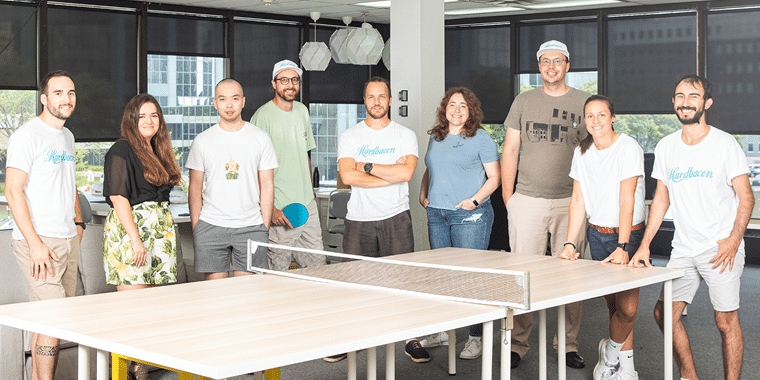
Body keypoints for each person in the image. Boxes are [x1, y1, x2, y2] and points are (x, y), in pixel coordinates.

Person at [630, 75, 752, 380]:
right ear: (674, 103)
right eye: (680, 96)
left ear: (706, 103)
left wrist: (734, 240)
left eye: (693, 96)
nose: (686, 102)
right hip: (684, 248)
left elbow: (746, 198)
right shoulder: (666, 146)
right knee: (664, 315)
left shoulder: (724, 144)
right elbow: (661, 199)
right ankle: (689, 375)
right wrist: (645, 244)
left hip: (720, 247)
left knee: (725, 321)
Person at [501, 40, 589, 369]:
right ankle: (518, 343)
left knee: (570, 277)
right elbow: (510, 150)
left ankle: (567, 344)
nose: (551, 67)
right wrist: (509, 199)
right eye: (545, 62)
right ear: (539, 66)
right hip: (527, 201)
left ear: (568, 65)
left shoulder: (584, 103)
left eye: (558, 61)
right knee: (523, 277)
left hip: (571, 203)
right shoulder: (523, 101)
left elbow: (595, 152)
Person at [333, 76, 420, 363]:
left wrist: (367, 167)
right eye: (371, 97)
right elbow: (347, 177)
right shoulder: (351, 136)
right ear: (364, 100)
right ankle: (351, 339)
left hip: (396, 218)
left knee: (405, 281)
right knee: (354, 283)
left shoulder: (404, 135)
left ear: (390, 100)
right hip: (359, 220)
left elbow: (406, 175)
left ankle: (412, 338)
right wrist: (389, 174)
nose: (377, 102)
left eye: (382, 96)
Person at [5, 70, 84, 380]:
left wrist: (78, 225)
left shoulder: (67, 136)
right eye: (59, 93)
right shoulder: (26, 135)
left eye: (71, 92)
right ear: (44, 98)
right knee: (56, 318)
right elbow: (13, 191)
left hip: (67, 239)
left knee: (47, 321)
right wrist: (35, 244)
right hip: (37, 242)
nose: (66, 99)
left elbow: (70, 184)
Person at [560, 95, 645, 380]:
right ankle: (626, 368)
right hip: (597, 235)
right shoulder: (581, 153)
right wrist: (570, 242)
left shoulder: (628, 147)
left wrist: (623, 245)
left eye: (601, 115)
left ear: (612, 117)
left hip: (628, 236)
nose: (595, 121)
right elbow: (577, 200)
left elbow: (627, 198)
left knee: (628, 308)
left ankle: (610, 353)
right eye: (590, 116)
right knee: (614, 307)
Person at [101, 93, 182, 378]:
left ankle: (138, 367)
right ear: (131, 120)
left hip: (157, 236)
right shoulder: (121, 150)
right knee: (133, 312)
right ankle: (126, 371)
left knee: (149, 313)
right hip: (132, 235)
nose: (149, 121)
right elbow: (118, 197)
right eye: (142, 116)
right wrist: (136, 239)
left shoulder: (157, 150)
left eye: (154, 115)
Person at [417, 87, 500, 360]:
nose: (456, 110)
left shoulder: (481, 139)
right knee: (441, 276)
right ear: (444, 109)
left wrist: (473, 202)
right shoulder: (436, 137)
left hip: (469, 216)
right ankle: (442, 331)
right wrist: (423, 191)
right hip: (437, 215)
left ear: (471, 111)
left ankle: (476, 336)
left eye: (463, 106)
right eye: (452, 105)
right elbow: (433, 167)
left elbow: (494, 178)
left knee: (470, 278)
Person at [186, 78, 277, 280]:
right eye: (223, 99)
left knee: (248, 293)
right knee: (214, 295)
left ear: (243, 101)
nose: (229, 105)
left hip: (252, 226)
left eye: (234, 98)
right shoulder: (202, 141)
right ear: (215, 102)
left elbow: (267, 184)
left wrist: (264, 225)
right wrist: (197, 226)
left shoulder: (260, 138)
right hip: (210, 225)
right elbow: (195, 187)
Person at [251, 59, 325, 271]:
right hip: (281, 209)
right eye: (284, 80)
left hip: (307, 206)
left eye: (294, 80)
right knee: (277, 271)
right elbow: (253, 168)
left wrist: (310, 194)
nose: (290, 85)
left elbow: (305, 155)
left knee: (318, 268)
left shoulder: (302, 111)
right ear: (274, 84)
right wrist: (270, 207)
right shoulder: (262, 117)